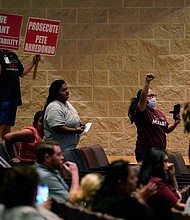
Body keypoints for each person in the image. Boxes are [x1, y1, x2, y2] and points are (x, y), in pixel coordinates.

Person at [128, 73, 180, 162]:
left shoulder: (158, 112)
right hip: (145, 153)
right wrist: (147, 82)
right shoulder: (142, 111)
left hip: (159, 153)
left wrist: (175, 123)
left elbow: (166, 129)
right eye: (150, 96)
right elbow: (143, 98)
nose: (153, 98)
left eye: (153, 96)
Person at [91, 160, 156, 220]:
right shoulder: (128, 204)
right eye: (132, 178)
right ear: (121, 183)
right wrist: (141, 201)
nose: (136, 179)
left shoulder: (97, 199)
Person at [0, 49, 41, 140]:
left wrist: (33, 62)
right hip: (3, 96)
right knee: (1, 123)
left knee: (8, 125)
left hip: (13, 97)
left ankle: (3, 148)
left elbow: (22, 73)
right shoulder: (0, 55)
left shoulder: (13, 56)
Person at [138, 147, 185, 220]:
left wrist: (172, 176)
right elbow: (178, 205)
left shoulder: (153, 179)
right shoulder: (156, 182)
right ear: (157, 163)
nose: (169, 164)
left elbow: (177, 195)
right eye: (165, 161)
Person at [43, 79, 85, 151]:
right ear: (56, 93)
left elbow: (72, 119)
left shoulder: (67, 104)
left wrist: (79, 124)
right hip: (57, 150)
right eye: (63, 90)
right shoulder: (54, 107)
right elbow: (57, 127)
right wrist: (75, 130)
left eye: (67, 89)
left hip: (68, 148)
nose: (67, 92)